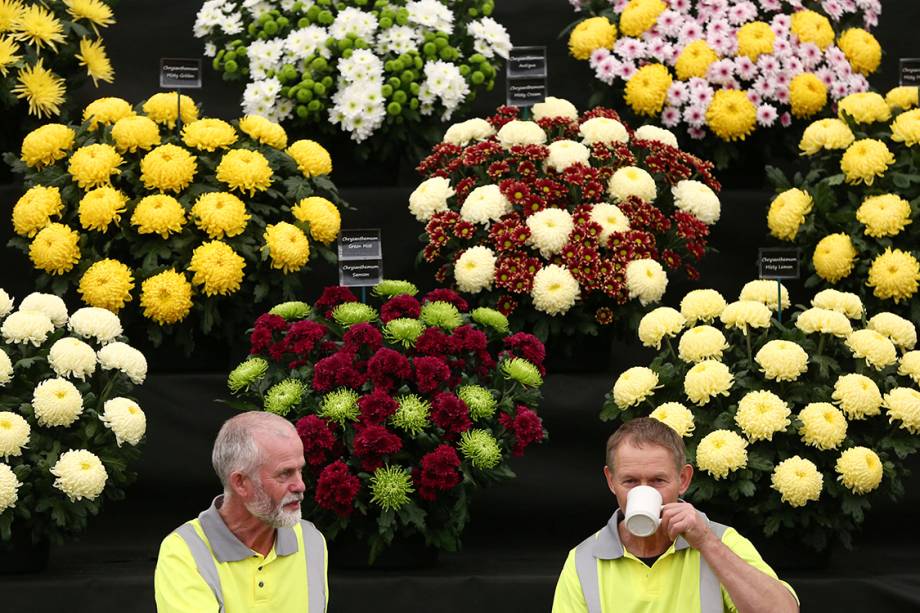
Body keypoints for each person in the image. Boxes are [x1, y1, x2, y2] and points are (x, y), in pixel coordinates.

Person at [552, 417, 799, 613]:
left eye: (658, 480)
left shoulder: (721, 541)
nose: (644, 491)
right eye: (630, 481)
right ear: (611, 481)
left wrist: (705, 542)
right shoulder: (582, 560)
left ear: (683, 480)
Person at [155, 411, 328, 613]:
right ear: (240, 483)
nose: (300, 485)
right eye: (285, 473)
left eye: (300, 471)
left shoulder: (311, 541)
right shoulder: (185, 552)